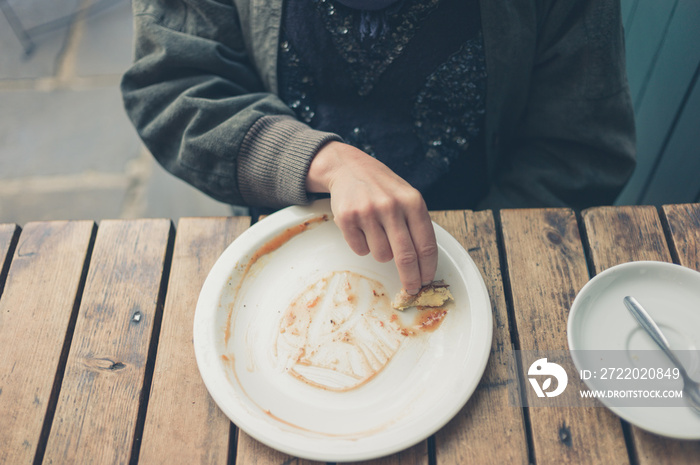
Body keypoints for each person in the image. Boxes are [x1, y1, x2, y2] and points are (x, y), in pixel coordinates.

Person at [121, 0, 636, 294]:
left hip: (477, 245)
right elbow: (173, 86)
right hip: (278, 231)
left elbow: (579, 150)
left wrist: (469, 261)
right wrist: (322, 160)